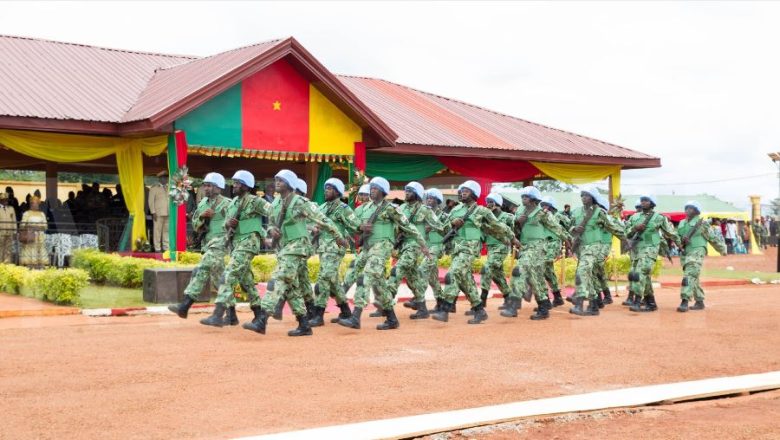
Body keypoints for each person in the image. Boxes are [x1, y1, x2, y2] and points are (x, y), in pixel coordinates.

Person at [246, 170, 346, 337]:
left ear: (290, 183)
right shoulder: (276, 202)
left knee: (279, 278)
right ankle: (304, 324)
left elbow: (322, 219)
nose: (277, 181)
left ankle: (262, 319)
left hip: (298, 247)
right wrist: (272, 231)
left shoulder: (300, 202)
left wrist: (338, 236)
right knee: (292, 287)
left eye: (281, 180)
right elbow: (270, 223)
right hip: (285, 248)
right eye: (276, 179)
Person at [338, 176, 429, 331]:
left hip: (382, 248)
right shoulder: (365, 209)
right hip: (367, 248)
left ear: (383, 191)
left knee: (364, 278)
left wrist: (423, 245)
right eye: (371, 188)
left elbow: (408, 227)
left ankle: (355, 316)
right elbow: (353, 226)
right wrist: (359, 229)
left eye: (375, 188)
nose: (371, 191)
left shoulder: (390, 208)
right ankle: (392, 319)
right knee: (380, 285)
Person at [430, 180, 512, 324]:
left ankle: (445, 308)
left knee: (453, 273)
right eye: (461, 191)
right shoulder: (455, 210)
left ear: (474, 194)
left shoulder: (482, 211)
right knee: (465, 281)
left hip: (470, 248)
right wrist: (452, 223)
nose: (462, 193)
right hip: (457, 248)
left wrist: (512, 238)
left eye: (466, 191)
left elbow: (497, 226)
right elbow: (444, 230)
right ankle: (479, 310)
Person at [200, 170, 271, 329]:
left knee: (229, 274)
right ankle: (258, 315)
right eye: (234, 182)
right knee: (246, 281)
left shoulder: (255, 201)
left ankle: (218, 314)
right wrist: (228, 224)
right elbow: (225, 224)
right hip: (236, 244)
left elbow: (273, 212)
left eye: (238, 183)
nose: (234, 185)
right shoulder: (233, 203)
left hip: (248, 243)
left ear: (247, 186)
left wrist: (269, 231)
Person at [168, 173, 231, 320]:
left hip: (220, 243)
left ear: (218, 187)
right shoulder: (202, 204)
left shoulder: (228, 204)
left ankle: (185, 306)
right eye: (205, 185)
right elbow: (196, 226)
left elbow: (234, 223)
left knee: (201, 270)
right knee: (218, 279)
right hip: (208, 244)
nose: (206, 188)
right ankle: (230, 313)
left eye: (209, 185)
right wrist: (202, 217)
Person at [502, 187, 570, 320]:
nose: (523, 199)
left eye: (526, 197)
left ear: (534, 199)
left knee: (520, 269)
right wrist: (517, 223)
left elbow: (556, 227)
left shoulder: (542, 213)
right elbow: (514, 229)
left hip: (538, 246)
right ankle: (544, 306)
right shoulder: (520, 210)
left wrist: (567, 239)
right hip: (524, 246)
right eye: (522, 197)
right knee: (535, 278)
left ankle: (513, 305)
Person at [308, 178, 360, 327]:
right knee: (333, 281)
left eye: (330, 188)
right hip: (324, 248)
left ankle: (318, 315)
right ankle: (346, 312)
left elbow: (355, 225)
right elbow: (316, 226)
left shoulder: (344, 208)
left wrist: (363, 230)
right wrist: (314, 229)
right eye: (326, 188)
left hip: (336, 248)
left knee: (324, 278)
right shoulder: (323, 207)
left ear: (337, 191)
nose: (326, 191)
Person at [391, 181, 446, 319]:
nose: (430, 200)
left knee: (400, 270)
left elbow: (443, 228)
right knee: (416, 278)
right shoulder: (402, 208)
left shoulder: (426, 211)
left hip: (425, 246)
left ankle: (386, 303)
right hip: (410, 245)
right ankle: (424, 307)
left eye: (433, 198)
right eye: (406, 190)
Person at [566, 188, 624, 316]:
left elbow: (615, 228)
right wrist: (574, 229)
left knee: (584, 270)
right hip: (582, 246)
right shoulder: (576, 212)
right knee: (590, 274)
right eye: (582, 195)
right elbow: (570, 227)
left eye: (587, 196)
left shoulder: (601, 214)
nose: (584, 198)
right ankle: (594, 303)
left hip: (597, 246)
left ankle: (579, 301)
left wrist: (625, 240)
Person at [626, 194, 680, 313]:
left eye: (646, 200)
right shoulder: (634, 217)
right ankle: (651, 303)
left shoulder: (659, 218)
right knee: (642, 275)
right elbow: (626, 232)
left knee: (640, 272)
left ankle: (637, 301)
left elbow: (670, 232)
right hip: (637, 248)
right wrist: (635, 228)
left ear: (652, 203)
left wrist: (680, 244)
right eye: (642, 200)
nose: (643, 202)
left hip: (650, 248)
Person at [676, 201, 727, 312]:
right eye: (687, 208)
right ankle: (699, 301)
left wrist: (722, 249)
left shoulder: (702, 224)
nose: (688, 210)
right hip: (685, 252)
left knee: (689, 275)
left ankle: (684, 300)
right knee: (694, 276)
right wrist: (680, 242)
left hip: (698, 250)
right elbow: (676, 238)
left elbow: (712, 238)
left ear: (696, 211)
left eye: (691, 208)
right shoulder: (681, 223)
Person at [471, 192, 514, 315]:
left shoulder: (508, 217)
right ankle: (509, 298)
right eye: (488, 202)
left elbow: (515, 231)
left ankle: (482, 300)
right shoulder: (486, 217)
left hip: (502, 246)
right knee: (497, 274)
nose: (489, 204)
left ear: (498, 203)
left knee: (487, 268)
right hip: (491, 246)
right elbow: (483, 233)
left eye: (491, 202)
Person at [420, 189, 450, 314]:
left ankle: (419, 301)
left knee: (423, 268)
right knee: (433, 278)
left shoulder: (444, 216)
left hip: (438, 246)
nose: (429, 200)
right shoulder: (424, 215)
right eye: (428, 198)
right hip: (428, 246)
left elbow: (448, 231)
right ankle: (441, 302)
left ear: (438, 201)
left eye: (432, 198)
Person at [539, 196, 571, 307]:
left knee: (541, 265)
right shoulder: (542, 216)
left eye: (546, 205)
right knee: (548, 270)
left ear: (551, 206)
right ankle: (557, 297)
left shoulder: (558, 216)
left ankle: (545, 300)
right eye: (542, 205)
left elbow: (569, 224)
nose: (543, 207)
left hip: (554, 242)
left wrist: (567, 240)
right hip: (544, 243)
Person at [19, 196, 48, 268]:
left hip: (40, 236)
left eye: (38, 203)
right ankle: (30, 266)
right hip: (30, 236)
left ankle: (39, 266)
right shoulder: (27, 213)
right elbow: (22, 226)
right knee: (30, 250)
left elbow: (45, 226)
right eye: (35, 203)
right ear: (31, 204)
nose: (37, 205)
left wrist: (38, 227)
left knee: (40, 250)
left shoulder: (42, 214)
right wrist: (30, 227)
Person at [148, 171, 170, 252]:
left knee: (166, 231)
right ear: (160, 179)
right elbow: (151, 201)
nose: (166, 179)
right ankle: (157, 248)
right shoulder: (154, 188)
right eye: (164, 178)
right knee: (157, 231)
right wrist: (153, 212)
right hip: (158, 213)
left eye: (166, 178)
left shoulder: (170, 188)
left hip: (168, 213)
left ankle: (166, 247)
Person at [0, 193, 17, 263]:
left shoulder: (11, 209)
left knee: (8, 249)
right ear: (0, 200)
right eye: (4, 200)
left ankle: (7, 264)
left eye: (7, 200)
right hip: (1, 233)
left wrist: (15, 232)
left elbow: (14, 220)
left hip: (9, 232)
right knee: (1, 249)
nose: (6, 201)